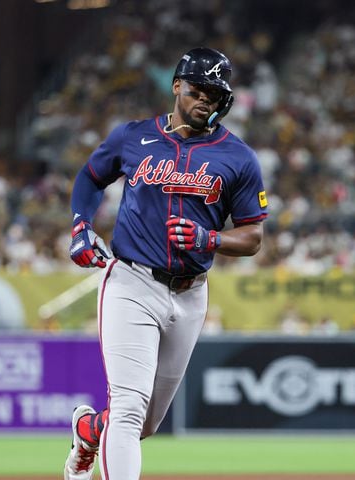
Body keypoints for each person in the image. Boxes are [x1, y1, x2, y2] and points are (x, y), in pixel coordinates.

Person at [63, 47, 268, 480]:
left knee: (146, 424)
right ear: (177, 86)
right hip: (131, 283)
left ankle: (87, 430)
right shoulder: (134, 136)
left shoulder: (239, 157)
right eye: (199, 90)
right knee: (129, 407)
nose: (206, 100)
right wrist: (81, 226)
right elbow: (89, 177)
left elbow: (253, 236)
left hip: (191, 293)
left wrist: (210, 238)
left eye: (215, 94)